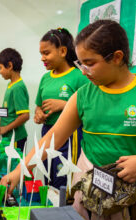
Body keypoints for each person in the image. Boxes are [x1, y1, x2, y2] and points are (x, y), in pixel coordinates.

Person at [0, 20, 136, 220]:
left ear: (117, 57)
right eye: (81, 63)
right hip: (91, 190)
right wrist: (20, 170)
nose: (84, 70)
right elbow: (52, 138)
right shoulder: (83, 95)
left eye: (90, 63)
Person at [34, 28, 89, 189]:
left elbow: (89, 108)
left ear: (63, 51)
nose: (42, 58)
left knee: (64, 182)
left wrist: (65, 105)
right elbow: (38, 106)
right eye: (41, 54)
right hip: (47, 133)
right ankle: (49, 212)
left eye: (46, 53)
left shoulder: (79, 76)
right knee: (48, 176)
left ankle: (64, 213)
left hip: (70, 137)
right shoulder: (45, 78)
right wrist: (38, 114)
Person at [0, 48, 30, 151]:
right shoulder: (11, 85)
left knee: (14, 165)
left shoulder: (17, 87)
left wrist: (5, 128)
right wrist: (0, 121)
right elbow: (9, 110)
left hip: (16, 138)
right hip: (8, 137)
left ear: (10, 66)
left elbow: (24, 115)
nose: (0, 72)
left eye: (0, 68)